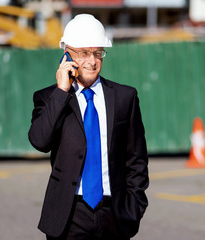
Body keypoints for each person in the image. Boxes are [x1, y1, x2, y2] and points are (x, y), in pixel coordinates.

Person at [28, 14, 149, 240]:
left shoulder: (125, 97)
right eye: (83, 53)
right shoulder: (49, 98)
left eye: (97, 53)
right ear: (67, 54)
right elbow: (40, 141)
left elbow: (137, 158)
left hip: (115, 212)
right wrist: (61, 92)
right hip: (68, 215)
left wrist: (134, 206)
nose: (92, 61)